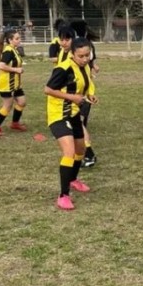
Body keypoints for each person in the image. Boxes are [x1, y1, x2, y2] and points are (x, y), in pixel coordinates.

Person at [45, 37, 98, 210]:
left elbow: (86, 83)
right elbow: (48, 89)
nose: (84, 59)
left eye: (87, 55)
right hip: (58, 114)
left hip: (73, 114)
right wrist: (72, 97)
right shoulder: (63, 68)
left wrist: (90, 94)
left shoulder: (84, 66)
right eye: (81, 56)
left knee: (81, 149)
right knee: (69, 151)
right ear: (73, 54)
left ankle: (73, 179)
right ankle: (63, 195)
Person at [70, 19, 99, 166]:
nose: (85, 58)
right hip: (83, 95)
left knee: (79, 125)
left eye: (86, 56)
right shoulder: (86, 52)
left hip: (79, 97)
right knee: (79, 126)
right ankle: (85, 153)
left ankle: (88, 155)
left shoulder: (77, 52)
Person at [0, 29, 27, 136]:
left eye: (19, 38)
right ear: (10, 40)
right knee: (7, 105)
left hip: (15, 84)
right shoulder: (8, 51)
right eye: (17, 38)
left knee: (22, 102)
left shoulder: (14, 49)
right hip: (6, 84)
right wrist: (16, 70)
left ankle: (15, 123)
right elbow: (1, 65)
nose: (19, 40)